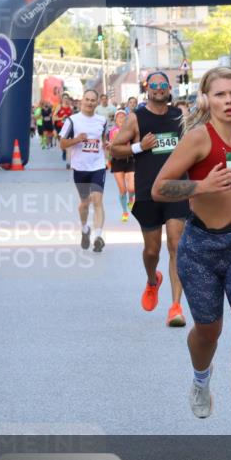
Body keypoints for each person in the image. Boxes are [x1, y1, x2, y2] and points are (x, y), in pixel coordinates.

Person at [151, 66, 231, 455]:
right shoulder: (198, 139)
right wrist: (201, 185)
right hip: (201, 248)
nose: (228, 101)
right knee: (209, 331)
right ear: (207, 99)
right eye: (220, 94)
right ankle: (201, 378)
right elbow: (159, 188)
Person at [109, 71, 190, 326]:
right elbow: (115, 148)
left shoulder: (180, 116)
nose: (158, 88)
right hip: (147, 190)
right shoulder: (136, 118)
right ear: (147, 89)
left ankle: (176, 307)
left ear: (169, 88)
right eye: (154, 85)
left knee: (176, 245)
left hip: (176, 188)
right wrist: (140, 147)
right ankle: (153, 280)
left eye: (163, 85)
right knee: (152, 250)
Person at [59, 89, 109, 253]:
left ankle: (98, 236)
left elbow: (104, 140)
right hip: (80, 168)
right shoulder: (72, 121)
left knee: (97, 200)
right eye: (87, 99)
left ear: (97, 102)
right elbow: (62, 144)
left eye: (93, 100)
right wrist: (77, 139)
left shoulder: (102, 121)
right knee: (85, 203)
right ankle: (85, 228)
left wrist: (107, 147)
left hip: (98, 166)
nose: (90, 103)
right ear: (82, 101)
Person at [105, 110, 135, 222]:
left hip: (130, 160)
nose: (121, 119)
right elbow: (109, 146)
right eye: (119, 117)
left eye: (123, 117)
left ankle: (131, 200)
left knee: (131, 188)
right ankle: (125, 212)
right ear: (115, 120)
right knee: (122, 190)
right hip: (117, 162)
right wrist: (107, 159)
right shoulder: (112, 131)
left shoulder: (131, 131)